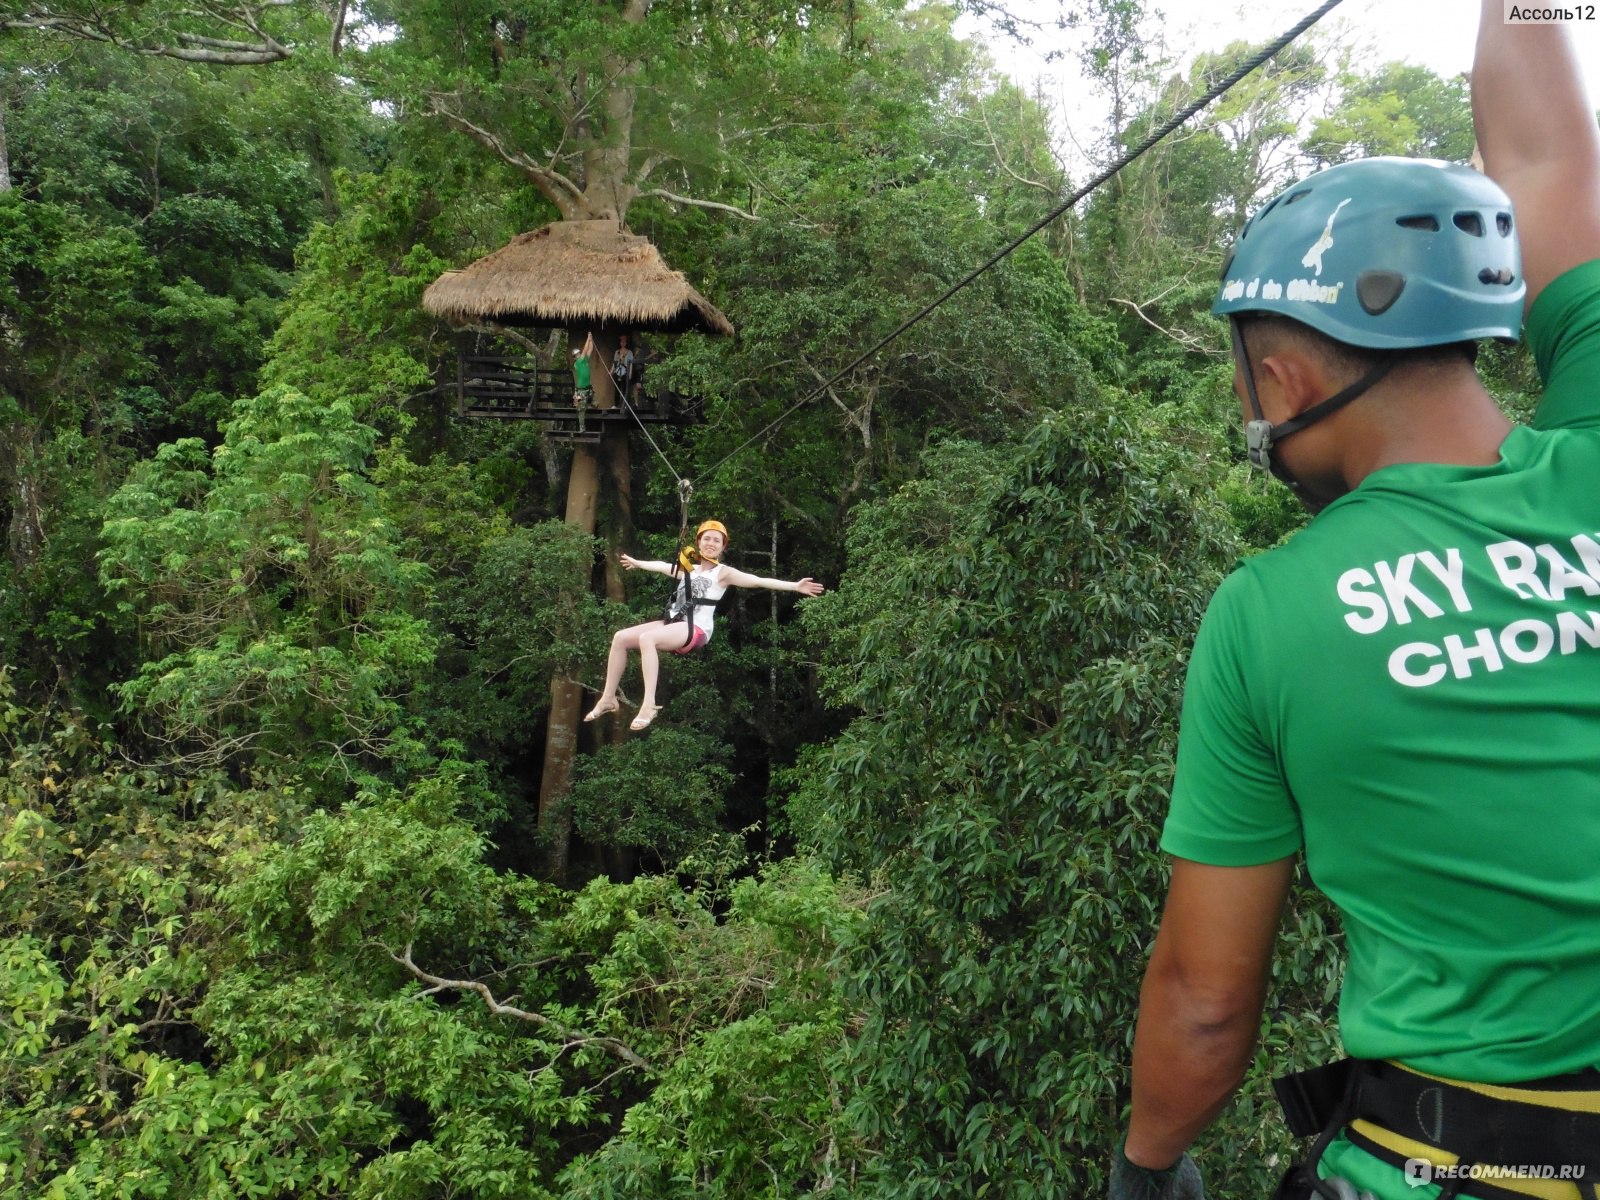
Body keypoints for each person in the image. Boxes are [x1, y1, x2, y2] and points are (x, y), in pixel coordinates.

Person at [1114, 7, 1600, 1200]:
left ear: (1281, 380)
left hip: (1462, 1165)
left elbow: (1206, 998)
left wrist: (1145, 1169)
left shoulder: (1269, 612)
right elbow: (1549, 163)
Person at [583, 520, 826, 731]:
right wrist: (638, 563)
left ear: (723, 547)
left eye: (716, 540)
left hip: (695, 630)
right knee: (620, 637)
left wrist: (795, 586)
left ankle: (648, 706)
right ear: (698, 543)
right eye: (706, 539)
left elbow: (757, 580)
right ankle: (607, 698)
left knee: (648, 639)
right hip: (674, 623)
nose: (711, 543)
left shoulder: (723, 573)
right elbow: (662, 566)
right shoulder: (689, 570)